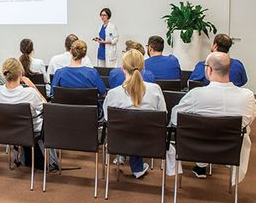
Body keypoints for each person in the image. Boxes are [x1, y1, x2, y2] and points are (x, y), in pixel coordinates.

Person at [171, 52, 255, 182]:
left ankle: (201, 165)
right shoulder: (247, 96)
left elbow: (175, 119)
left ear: (209, 70)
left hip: (195, 148)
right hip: (231, 150)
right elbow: (248, 121)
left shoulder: (196, 95)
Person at [103, 49, 167, 178]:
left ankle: (123, 157)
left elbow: (107, 117)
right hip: (149, 142)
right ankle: (137, 168)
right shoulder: (155, 89)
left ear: (123, 67)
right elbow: (163, 116)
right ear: (143, 67)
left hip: (120, 141)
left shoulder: (113, 93)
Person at [0, 58, 56, 169]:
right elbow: (47, 107)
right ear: (20, 73)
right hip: (27, 132)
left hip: (2, 131)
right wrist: (33, 87)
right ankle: (51, 161)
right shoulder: (29, 93)